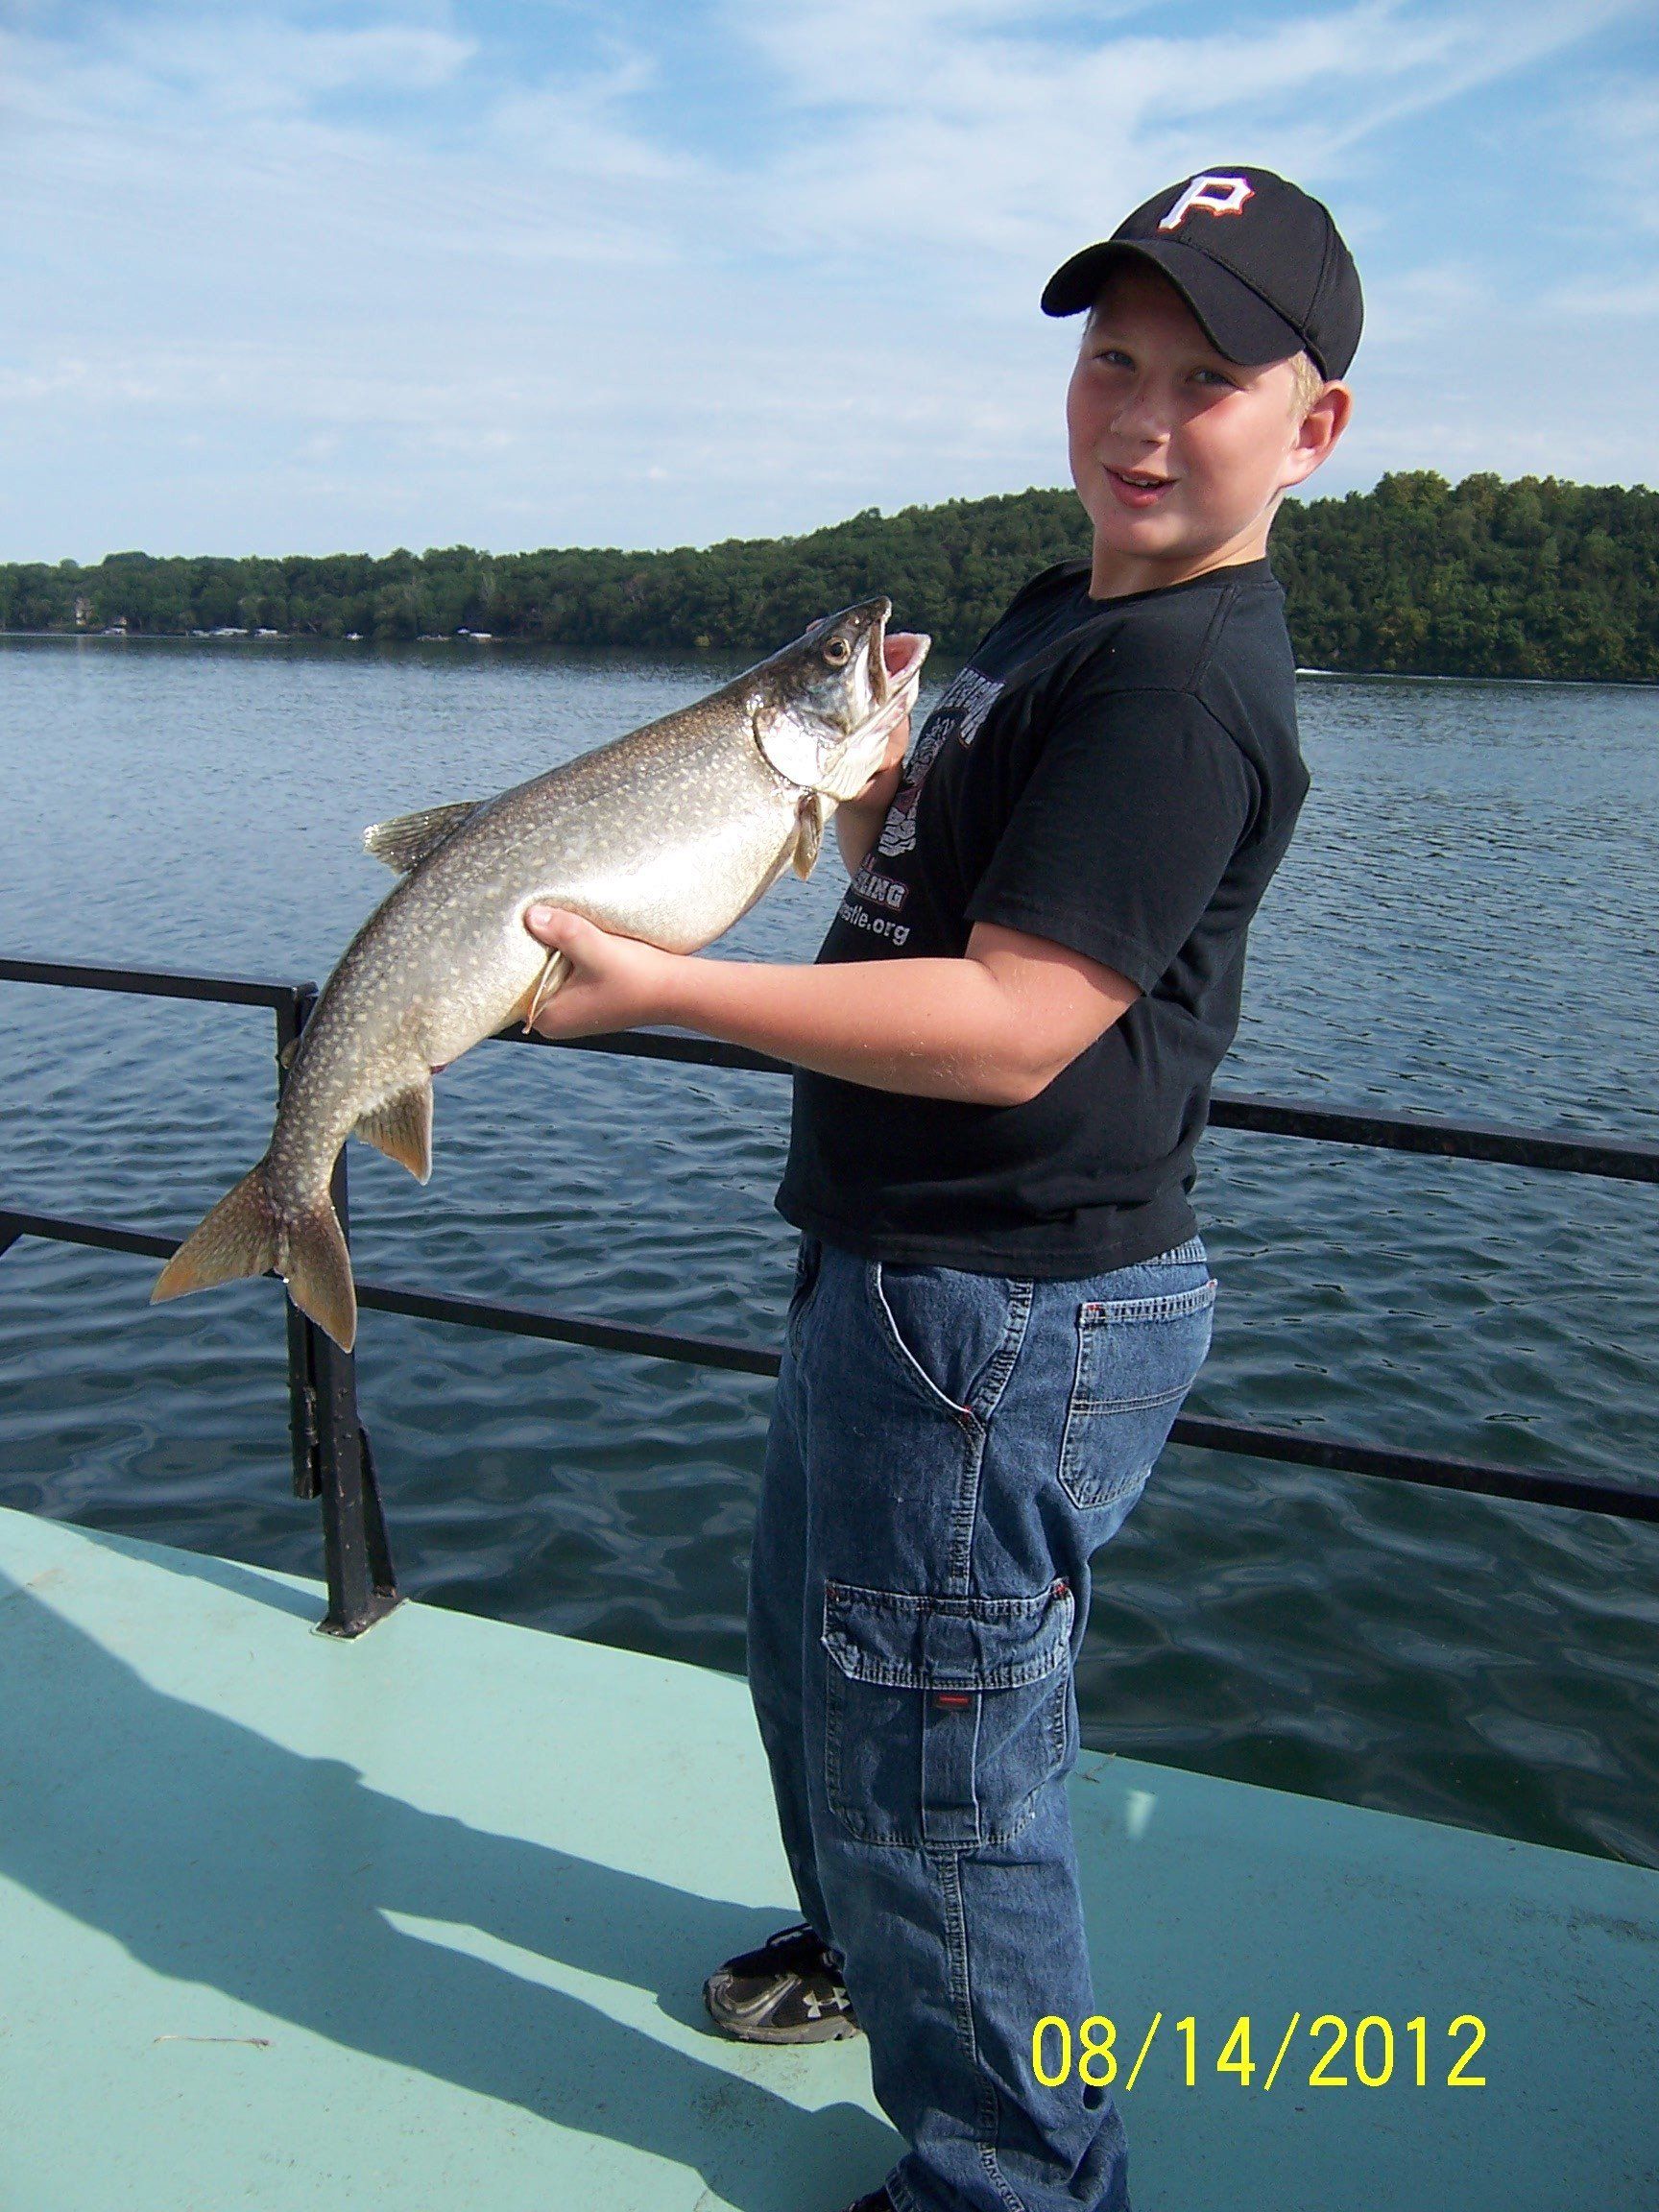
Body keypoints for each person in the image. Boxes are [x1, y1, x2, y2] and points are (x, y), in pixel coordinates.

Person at [524, 166, 1359, 2212]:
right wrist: (898, 787)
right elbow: (971, 860)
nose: (1141, 419)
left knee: (946, 1776)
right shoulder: (1074, 615)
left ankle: (1016, 2175)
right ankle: (877, 1959)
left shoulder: (1180, 688)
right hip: (897, 1270)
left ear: (1313, 426)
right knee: (827, 1690)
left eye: (1207, 381)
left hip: (1007, 1314)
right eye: (1113, 359)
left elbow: (1012, 1025)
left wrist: (664, 991)